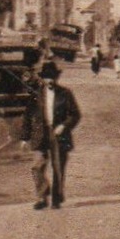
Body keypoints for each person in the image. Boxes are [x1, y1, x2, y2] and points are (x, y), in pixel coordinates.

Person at [24, 60, 81, 209]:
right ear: (42, 78)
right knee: (37, 166)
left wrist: (64, 126)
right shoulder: (36, 95)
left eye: (52, 77)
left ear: (56, 78)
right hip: (40, 134)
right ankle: (42, 196)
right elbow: (27, 115)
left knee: (58, 167)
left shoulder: (65, 93)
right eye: (46, 77)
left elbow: (75, 114)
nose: (50, 81)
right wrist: (25, 137)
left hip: (58, 134)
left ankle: (56, 198)